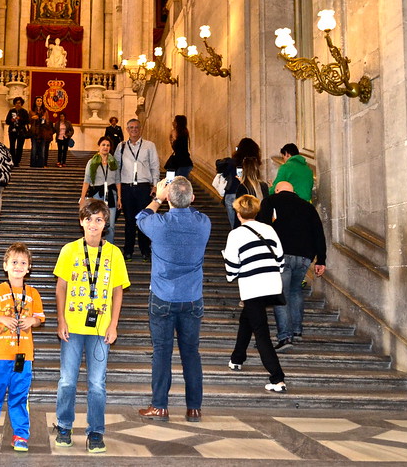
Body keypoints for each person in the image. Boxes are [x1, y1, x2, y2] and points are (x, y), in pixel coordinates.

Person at [53, 199, 130, 454]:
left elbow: (118, 291)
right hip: (73, 327)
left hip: (100, 329)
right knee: (67, 381)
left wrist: (114, 324)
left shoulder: (114, 253)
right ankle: (64, 426)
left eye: (98, 219)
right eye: (88, 219)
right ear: (81, 222)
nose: (93, 224)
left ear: (105, 222)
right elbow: (61, 286)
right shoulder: (69, 250)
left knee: (97, 383)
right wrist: (61, 320)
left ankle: (95, 431)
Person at [136, 177, 211, 422]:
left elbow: (140, 218)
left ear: (168, 198)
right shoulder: (203, 223)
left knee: (162, 352)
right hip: (192, 297)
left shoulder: (159, 224)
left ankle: (159, 406)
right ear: (192, 198)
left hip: (163, 296)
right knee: (191, 353)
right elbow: (191, 209)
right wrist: (177, 196)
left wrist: (157, 198)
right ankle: (194, 408)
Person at [0, 242, 45, 452]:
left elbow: (39, 318)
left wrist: (32, 321)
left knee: (20, 395)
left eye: (23, 262)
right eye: (14, 262)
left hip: (24, 356)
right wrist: (2, 319)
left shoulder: (33, 292)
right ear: (5, 265)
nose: (18, 266)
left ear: (29, 268)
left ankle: (20, 435)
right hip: (0, 354)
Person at [223, 195, 287, 393]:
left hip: (253, 287)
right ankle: (237, 358)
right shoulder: (269, 229)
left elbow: (232, 270)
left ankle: (277, 378)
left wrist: (230, 266)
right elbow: (281, 261)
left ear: (238, 212)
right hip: (272, 283)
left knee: (261, 332)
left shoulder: (235, 234)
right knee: (247, 319)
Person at [258, 181, 327, 350]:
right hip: (304, 257)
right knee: (296, 291)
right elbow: (318, 232)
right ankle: (297, 331)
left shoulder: (270, 201)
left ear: (277, 190)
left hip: (281, 255)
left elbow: (263, 226)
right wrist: (321, 260)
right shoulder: (307, 206)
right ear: (293, 191)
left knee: (281, 294)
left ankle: (285, 337)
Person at [113, 118, 160, 262]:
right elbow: (115, 168)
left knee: (144, 220)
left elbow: (155, 165)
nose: (134, 130)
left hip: (143, 187)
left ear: (140, 129)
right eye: (131, 127)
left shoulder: (149, 145)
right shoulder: (121, 147)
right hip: (127, 187)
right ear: (127, 130)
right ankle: (128, 251)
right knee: (129, 221)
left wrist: (155, 184)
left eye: (136, 127)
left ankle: (145, 251)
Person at [79, 136, 121, 243]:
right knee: (95, 222)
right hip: (97, 194)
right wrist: (82, 198)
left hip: (111, 195)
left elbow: (118, 181)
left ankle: (109, 248)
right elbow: (86, 180)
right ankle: (94, 246)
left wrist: (120, 198)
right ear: (99, 147)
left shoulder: (114, 163)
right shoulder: (92, 162)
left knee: (110, 225)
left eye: (108, 145)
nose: (105, 147)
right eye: (103, 145)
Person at [216, 137, 261, 228]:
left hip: (232, 194)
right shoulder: (254, 163)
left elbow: (220, 168)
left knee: (235, 226)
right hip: (249, 195)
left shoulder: (232, 162)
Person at [233, 156, 268, 228]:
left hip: (248, 224)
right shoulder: (264, 185)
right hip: (263, 222)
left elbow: (240, 209)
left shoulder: (243, 187)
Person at [5, 97, 31, 167]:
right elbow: (7, 121)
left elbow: (27, 121)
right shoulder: (11, 111)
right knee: (12, 146)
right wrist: (11, 120)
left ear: (21, 104)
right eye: (16, 103)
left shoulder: (24, 112)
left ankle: (17, 161)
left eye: (19, 103)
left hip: (21, 131)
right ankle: (12, 160)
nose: (18, 104)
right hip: (12, 131)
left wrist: (20, 119)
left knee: (20, 146)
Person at [30, 96, 54, 167]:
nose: (39, 102)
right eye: (38, 101)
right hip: (34, 132)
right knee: (34, 149)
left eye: (40, 101)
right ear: (35, 102)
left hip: (43, 132)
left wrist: (44, 119)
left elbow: (47, 123)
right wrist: (33, 118)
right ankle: (33, 164)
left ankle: (41, 164)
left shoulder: (45, 112)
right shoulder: (31, 111)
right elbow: (29, 121)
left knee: (42, 149)